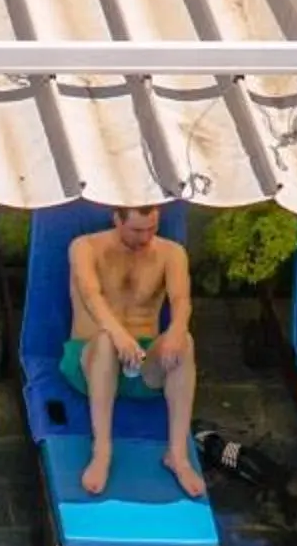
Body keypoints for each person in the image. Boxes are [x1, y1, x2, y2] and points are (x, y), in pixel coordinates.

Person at [64, 204, 205, 498]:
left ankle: (177, 456)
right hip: (90, 359)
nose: (145, 238)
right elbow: (90, 295)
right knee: (104, 341)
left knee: (186, 341)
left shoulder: (171, 253)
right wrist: (118, 335)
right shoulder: (85, 247)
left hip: (142, 362)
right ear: (117, 219)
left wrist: (176, 332)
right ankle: (102, 451)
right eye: (137, 230)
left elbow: (181, 301)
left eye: (152, 229)